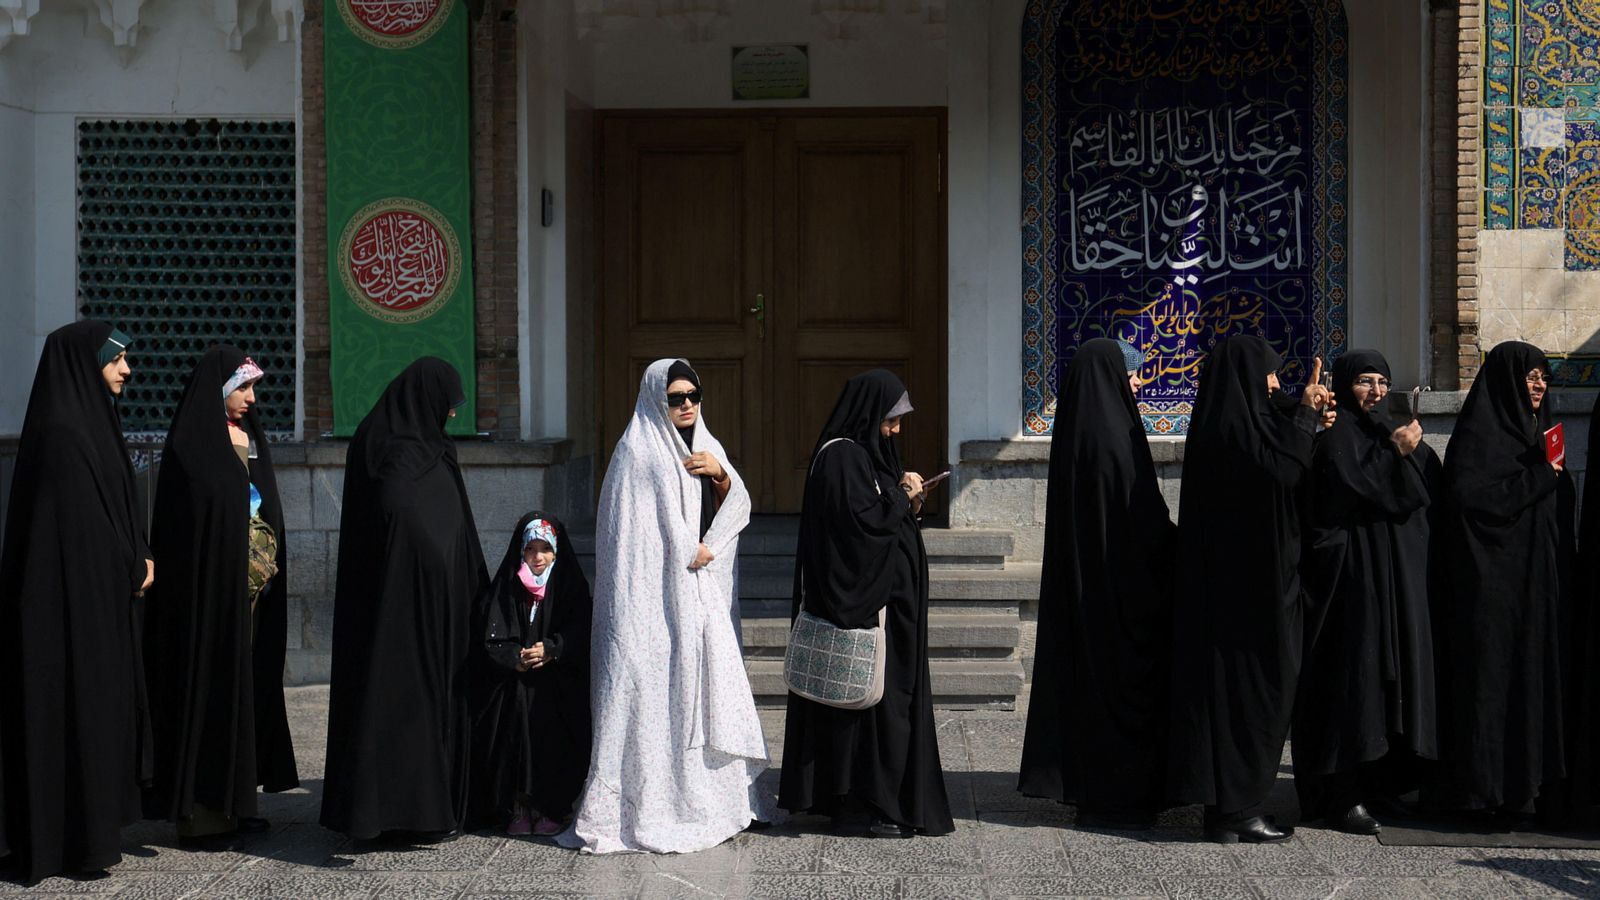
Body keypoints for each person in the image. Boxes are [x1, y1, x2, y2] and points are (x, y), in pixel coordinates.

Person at [560, 359, 771, 853]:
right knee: (653, 700)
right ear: (657, 397)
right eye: (676, 397)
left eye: (693, 395)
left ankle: (715, 802)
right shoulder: (636, 451)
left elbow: (738, 502)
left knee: (707, 691)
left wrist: (718, 480)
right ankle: (648, 805)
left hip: (699, 597)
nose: (686, 405)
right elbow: (627, 541)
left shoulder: (706, 443)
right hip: (652, 604)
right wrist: (684, 551)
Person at [0, 321, 154, 882]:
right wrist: (130, 565)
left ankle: (89, 838)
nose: (126, 370)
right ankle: (68, 844)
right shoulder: (63, 433)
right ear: (84, 364)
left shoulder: (91, 423)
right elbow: (78, 533)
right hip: (64, 617)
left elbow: (116, 511)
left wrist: (137, 555)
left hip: (94, 608)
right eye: (115, 360)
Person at [1167, 334, 1334, 844]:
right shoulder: (1232, 429)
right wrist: (1304, 416)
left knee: (1250, 693)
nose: (1274, 383)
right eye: (1268, 373)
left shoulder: (1242, 419)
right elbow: (1282, 469)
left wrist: (1308, 415)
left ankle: (1231, 809)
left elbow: (1282, 446)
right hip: (1248, 596)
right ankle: (1237, 809)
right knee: (1254, 694)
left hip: (1252, 586)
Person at [778, 369, 954, 839]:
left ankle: (881, 801)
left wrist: (905, 500)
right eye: (889, 420)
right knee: (866, 707)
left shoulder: (862, 457)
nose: (895, 430)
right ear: (868, 413)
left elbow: (877, 518)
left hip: (888, 612)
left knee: (887, 704)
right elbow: (859, 534)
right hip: (863, 613)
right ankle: (860, 803)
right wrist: (901, 497)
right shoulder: (841, 458)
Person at [320, 358, 487, 843]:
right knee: (395, 706)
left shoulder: (437, 450)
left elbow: (458, 528)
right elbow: (392, 524)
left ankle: (436, 808)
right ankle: (388, 814)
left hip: (441, 611)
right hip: (393, 612)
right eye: (448, 404)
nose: (452, 415)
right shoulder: (383, 448)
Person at [142, 346, 299, 849]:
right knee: (208, 693)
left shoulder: (250, 438)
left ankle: (240, 803)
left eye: (253, 389)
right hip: (206, 602)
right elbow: (188, 527)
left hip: (248, 597)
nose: (251, 399)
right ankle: (203, 814)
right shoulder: (192, 446)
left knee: (246, 692)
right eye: (243, 388)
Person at [1017, 339, 1176, 829]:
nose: (1136, 383)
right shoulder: (1113, 435)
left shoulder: (1079, 427)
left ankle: (1094, 791)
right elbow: (1137, 519)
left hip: (1088, 589)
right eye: (1129, 374)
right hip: (1119, 589)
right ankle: (1121, 795)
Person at [1292, 350, 1438, 835]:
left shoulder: (1386, 434)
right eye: (1365, 382)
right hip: (1350, 588)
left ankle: (1381, 786)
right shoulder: (1335, 439)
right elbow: (1347, 493)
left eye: (1383, 381)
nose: (1375, 392)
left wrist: (1406, 451)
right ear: (1344, 385)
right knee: (1354, 683)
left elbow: (1416, 498)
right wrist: (1393, 452)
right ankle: (1341, 795)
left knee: (1388, 686)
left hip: (1392, 584)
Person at [1426, 341, 1570, 821]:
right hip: (1489, 595)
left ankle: (1524, 789)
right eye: (1529, 376)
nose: (1538, 385)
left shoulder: (1538, 438)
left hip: (1534, 591)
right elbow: (1473, 503)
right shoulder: (1479, 439)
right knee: (1488, 684)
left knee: (1530, 684)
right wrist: (1538, 480)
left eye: (1544, 377)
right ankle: (1480, 792)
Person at [470, 512, 592, 837]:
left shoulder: (568, 584)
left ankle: (549, 806)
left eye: (545, 550)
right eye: (530, 550)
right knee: (516, 735)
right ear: (520, 552)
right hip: (516, 683)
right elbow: (493, 633)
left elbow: (581, 628)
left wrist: (553, 649)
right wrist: (513, 657)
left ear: (556, 552)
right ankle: (520, 805)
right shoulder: (509, 585)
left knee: (553, 738)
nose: (538, 558)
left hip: (555, 683)